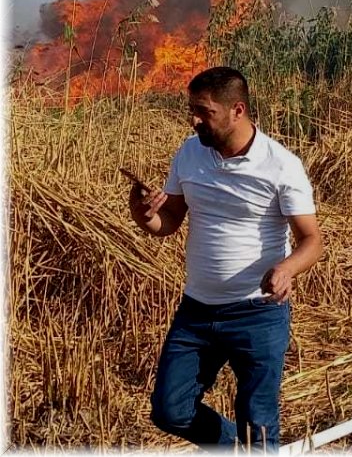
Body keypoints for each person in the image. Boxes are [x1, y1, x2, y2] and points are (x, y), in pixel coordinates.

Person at [128, 66, 323, 451]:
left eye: (204, 111)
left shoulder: (282, 165)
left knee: (259, 416)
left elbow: (312, 240)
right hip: (197, 312)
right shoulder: (189, 152)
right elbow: (169, 222)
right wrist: (144, 215)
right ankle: (237, 447)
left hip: (258, 314)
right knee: (170, 410)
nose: (194, 119)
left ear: (237, 110)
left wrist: (285, 269)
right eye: (192, 110)